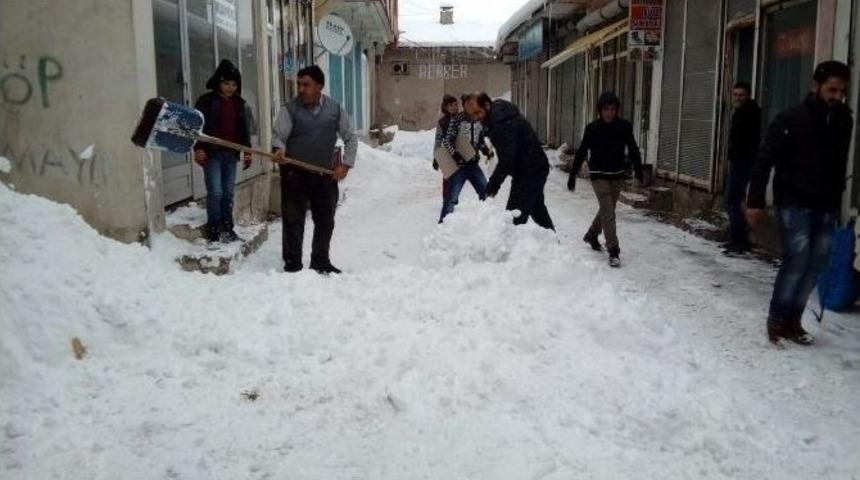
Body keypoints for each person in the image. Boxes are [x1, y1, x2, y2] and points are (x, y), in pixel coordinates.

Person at [746, 61, 853, 345]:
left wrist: (838, 202)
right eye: (831, 89)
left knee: (817, 263)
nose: (837, 96)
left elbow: (840, 163)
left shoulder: (844, 119)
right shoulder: (790, 119)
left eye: (842, 91)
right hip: (793, 199)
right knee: (798, 258)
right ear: (815, 86)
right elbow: (764, 159)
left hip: (826, 204)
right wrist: (755, 200)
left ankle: (794, 320)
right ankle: (777, 319)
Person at [272, 65, 357, 274]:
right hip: (294, 173)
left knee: (325, 220)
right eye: (299, 84)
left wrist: (345, 165)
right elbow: (278, 137)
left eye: (306, 85)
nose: (300, 89)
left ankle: (320, 261)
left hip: (324, 174)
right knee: (293, 220)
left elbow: (350, 137)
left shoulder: (335, 110)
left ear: (319, 86)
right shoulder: (289, 109)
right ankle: (293, 263)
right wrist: (279, 151)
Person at [568, 91, 643, 268]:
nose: (609, 112)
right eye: (605, 109)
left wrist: (638, 170)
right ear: (600, 110)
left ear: (617, 110)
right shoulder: (592, 128)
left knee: (606, 209)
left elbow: (633, 149)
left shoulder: (624, 127)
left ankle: (592, 234)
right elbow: (581, 152)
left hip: (617, 175)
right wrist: (573, 175)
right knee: (608, 210)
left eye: (612, 109)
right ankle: (614, 251)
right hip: (599, 175)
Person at [463, 93, 554, 230]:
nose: (476, 118)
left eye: (477, 113)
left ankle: (513, 248)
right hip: (528, 169)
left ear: (487, 105)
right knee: (537, 210)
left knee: (513, 218)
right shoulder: (496, 116)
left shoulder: (504, 123)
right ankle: (553, 246)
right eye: (472, 115)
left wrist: (492, 186)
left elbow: (507, 159)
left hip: (531, 171)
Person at [193, 59, 253, 243]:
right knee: (216, 191)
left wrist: (247, 150)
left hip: (230, 154)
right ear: (218, 82)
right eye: (226, 83)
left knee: (228, 192)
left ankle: (228, 228)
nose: (230, 88)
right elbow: (196, 128)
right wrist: (198, 148)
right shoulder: (206, 101)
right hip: (212, 154)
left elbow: (243, 130)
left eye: (234, 84)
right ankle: (214, 229)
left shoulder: (239, 104)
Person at [437, 94, 491, 222]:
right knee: (451, 198)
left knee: (486, 193)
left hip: (473, 164)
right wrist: (456, 156)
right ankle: (443, 225)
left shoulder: (479, 119)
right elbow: (447, 142)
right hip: (459, 166)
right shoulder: (457, 119)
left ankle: (488, 223)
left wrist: (485, 149)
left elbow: (480, 138)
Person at [722, 82, 761, 255]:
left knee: (732, 200)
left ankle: (739, 241)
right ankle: (738, 239)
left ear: (748, 96)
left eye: (741, 95)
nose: (737, 98)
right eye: (735, 95)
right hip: (740, 161)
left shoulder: (748, 114)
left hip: (743, 162)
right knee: (733, 201)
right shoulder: (742, 112)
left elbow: (745, 142)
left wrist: (736, 156)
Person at [433, 95, 459, 208]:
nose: (454, 107)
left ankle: (453, 200)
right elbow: (438, 140)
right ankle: (447, 201)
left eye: (455, 104)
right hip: (446, 154)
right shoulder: (442, 122)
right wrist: (436, 157)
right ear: (445, 107)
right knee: (447, 179)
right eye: (451, 105)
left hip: (459, 153)